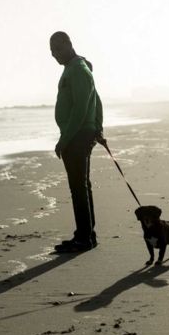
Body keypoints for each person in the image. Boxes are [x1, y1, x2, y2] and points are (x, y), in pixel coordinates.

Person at [50, 31, 104, 253]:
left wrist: (64, 140)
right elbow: (97, 102)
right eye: (52, 52)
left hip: (77, 136)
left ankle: (84, 237)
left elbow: (82, 108)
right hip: (81, 134)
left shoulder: (79, 70)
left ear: (69, 44)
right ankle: (86, 234)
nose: (55, 55)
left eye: (58, 49)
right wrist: (98, 129)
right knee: (82, 185)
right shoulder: (75, 69)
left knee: (78, 187)